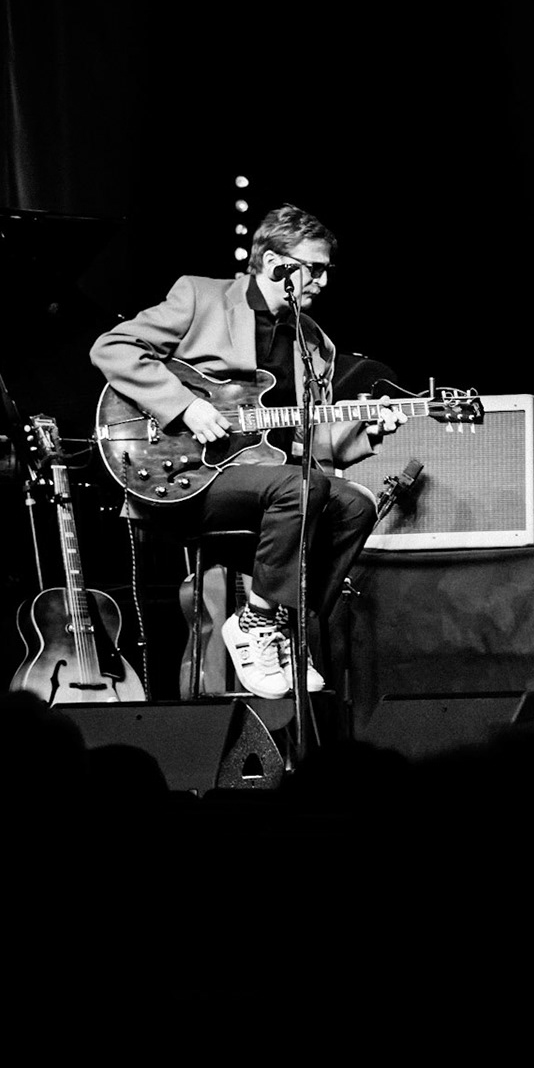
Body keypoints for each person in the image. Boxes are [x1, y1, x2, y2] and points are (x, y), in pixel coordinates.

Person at [90, 204, 401, 698]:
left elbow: (310, 441)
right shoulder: (201, 296)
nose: (323, 281)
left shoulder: (314, 343)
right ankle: (256, 624)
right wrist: (186, 406)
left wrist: (369, 431)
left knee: (355, 504)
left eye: (327, 270)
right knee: (301, 487)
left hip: (264, 481)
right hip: (184, 476)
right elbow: (113, 348)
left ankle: (280, 627)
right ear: (274, 262)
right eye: (313, 268)